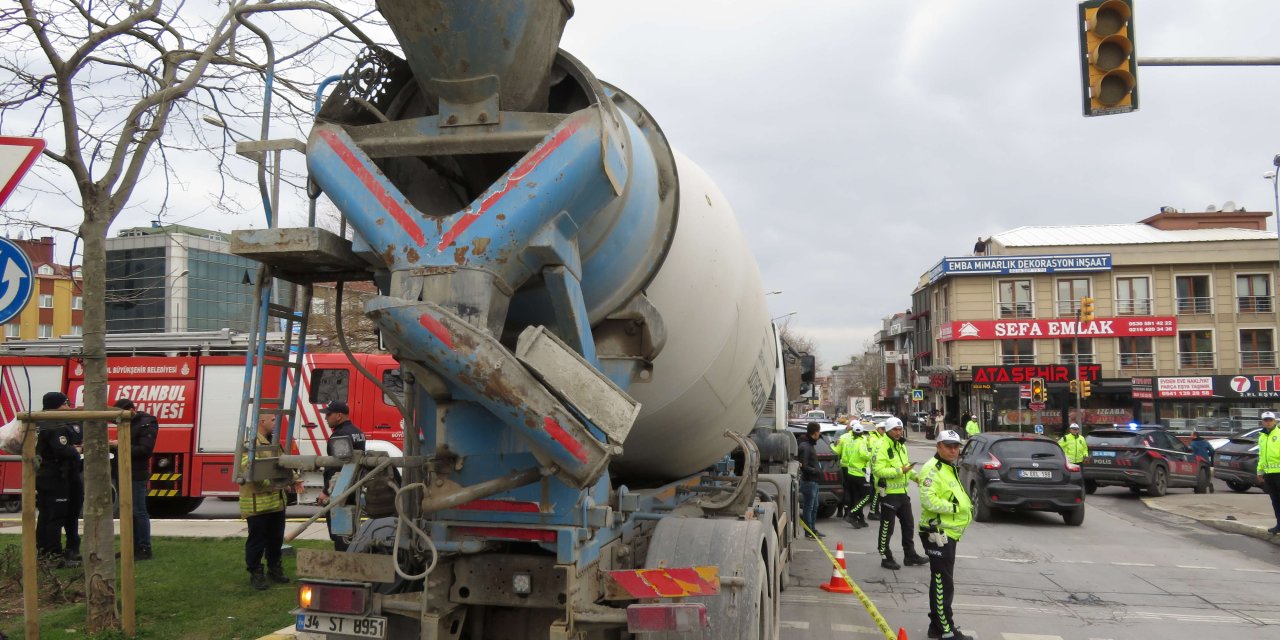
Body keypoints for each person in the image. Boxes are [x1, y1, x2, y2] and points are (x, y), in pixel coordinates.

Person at [917, 430, 975, 640]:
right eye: (948, 446)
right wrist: (956, 507)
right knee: (943, 584)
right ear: (938, 446)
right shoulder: (932, 470)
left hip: (949, 533)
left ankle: (936, 627)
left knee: (942, 581)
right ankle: (946, 631)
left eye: (956, 446)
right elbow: (929, 502)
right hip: (937, 533)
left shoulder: (949, 467)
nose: (953, 450)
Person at [240, 415, 303, 590]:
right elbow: (248, 471)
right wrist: (277, 483)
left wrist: (294, 479)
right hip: (257, 504)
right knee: (257, 541)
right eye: (273, 420)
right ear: (261, 421)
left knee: (275, 539)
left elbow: (283, 466)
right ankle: (255, 572)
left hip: (276, 503)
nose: (276, 423)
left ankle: (274, 569)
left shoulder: (274, 443)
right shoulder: (250, 445)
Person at [872, 418, 927, 570]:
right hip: (888, 493)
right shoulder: (881, 446)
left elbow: (906, 467)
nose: (898, 432)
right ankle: (885, 556)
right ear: (888, 430)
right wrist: (898, 471)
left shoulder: (901, 446)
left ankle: (910, 555)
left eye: (899, 429)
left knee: (909, 525)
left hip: (902, 493)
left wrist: (916, 477)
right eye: (895, 430)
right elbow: (878, 470)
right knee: (887, 528)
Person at [109, 398, 159, 560]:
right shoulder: (128, 423)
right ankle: (130, 547)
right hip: (122, 471)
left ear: (130, 411)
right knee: (126, 512)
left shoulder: (146, 423)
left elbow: (145, 450)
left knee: (138, 511)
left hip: (136, 474)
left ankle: (144, 548)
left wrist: (120, 444)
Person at [34, 391, 80, 567]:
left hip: (43, 476)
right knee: (56, 516)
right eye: (65, 404)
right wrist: (75, 450)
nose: (68, 408)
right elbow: (61, 449)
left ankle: (43, 553)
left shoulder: (40, 421)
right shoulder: (54, 424)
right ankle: (55, 556)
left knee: (46, 516)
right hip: (56, 476)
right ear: (57, 405)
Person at [316, 401, 366, 551]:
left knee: (340, 534)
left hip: (340, 491)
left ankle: (344, 568)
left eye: (328, 414)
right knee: (351, 531)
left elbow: (336, 469)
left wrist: (326, 491)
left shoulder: (339, 436)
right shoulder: (357, 432)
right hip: (354, 488)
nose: (326, 418)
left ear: (339, 416)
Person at [797, 421, 824, 539]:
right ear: (815, 433)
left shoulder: (809, 444)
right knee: (809, 507)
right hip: (809, 481)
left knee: (814, 506)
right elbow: (803, 465)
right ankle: (809, 531)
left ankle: (812, 529)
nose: (819, 434)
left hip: (814, 481)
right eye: (819, 432)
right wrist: (816, 471)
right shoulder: (805, 446)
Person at [1256, 411, 1280, 535]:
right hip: (1269, 474)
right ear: (1262, 422)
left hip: (1279, 473)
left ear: (1275, 421)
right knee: (1275, 500)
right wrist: (1260, 471)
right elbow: (1261, 456)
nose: (1268, 422)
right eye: (1266, 420)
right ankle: (1279, 524)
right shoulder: (1262, 436)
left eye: (1270, 420)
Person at [844, 424, 871, 529]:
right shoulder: (862, 442)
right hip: (860, 473)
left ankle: (860, 519)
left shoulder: (848, 442)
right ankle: (852, 514)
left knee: (857, 497)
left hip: (850, 473)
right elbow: (865, 455)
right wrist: (870, 454)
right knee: (867, 496)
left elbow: (845, 457)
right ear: (862, 433)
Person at [865, 422, 887, 521]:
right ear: (877, 429)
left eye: (885, 429)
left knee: (877, 491)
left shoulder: (879, 438)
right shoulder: (874, 439)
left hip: (875, 468)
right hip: (873, 469)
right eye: (882, 429)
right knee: (876, 492)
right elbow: (873, 456)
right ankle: (873, 512)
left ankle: (875, 511)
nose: (884, 431)